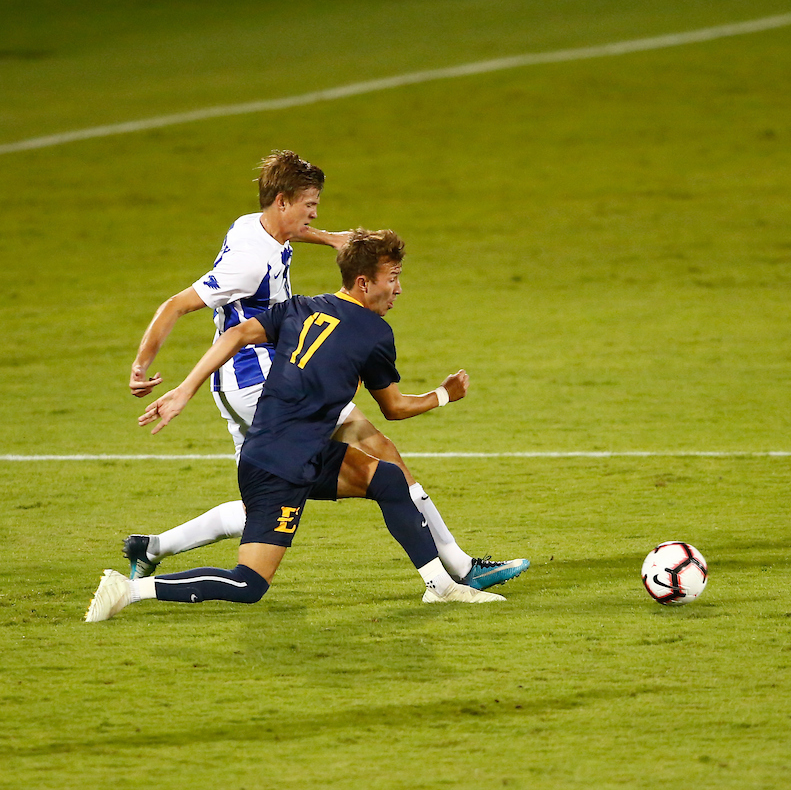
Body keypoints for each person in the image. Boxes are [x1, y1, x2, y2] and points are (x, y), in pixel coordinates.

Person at [125, 150, 525, 591]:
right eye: (309, 205)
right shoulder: (248, 263)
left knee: (296, 488)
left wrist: (332, 239)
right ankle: (458, 571)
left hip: (280, 370)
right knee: (290, 489)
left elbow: (290, 236)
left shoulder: (251, 225)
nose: (314, 214)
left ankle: (151, 548)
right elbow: (177, 306)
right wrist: (152, 372)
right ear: (282, 202)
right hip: (258, 384)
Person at [87, 229, 503, 622]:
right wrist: (445, 394)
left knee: (389, 480)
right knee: (248, 584)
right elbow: (393, 406)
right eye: (391, 279)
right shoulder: (375, 332)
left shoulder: (299, 307)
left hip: (294, 451)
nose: (398, 289)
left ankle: (441, 585)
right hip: (280, 467)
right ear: (363, 283)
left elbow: (233, 336)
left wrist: (185, 389)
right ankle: (128, 590)